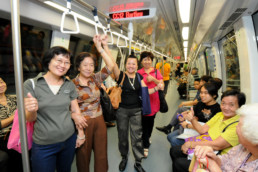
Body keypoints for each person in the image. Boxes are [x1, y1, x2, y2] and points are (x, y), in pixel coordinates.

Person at [24, 46, 86, 172]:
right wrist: (31, 109)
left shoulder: (69, 85)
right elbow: (30, 118)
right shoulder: (32, 84)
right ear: (48, 62)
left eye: (66, 62)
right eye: (58, 60)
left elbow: (75, 111)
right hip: (44, 145)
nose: (62, 65)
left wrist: (80, 134)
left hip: (69, 140)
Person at [170, 89, 246, 172]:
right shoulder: (220, 115)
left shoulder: (237, 124)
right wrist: (192, 119)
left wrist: (190, 144)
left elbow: (217, 145)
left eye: (231, 105)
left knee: (178, 163)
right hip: (205, 144)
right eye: (223, 103)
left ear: (240, 107)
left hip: (217, 156)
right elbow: (202, 130)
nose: (226, 107)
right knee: (174, 150)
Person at [112, 53, 161, 172]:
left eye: (133, 64)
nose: (131, 66)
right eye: (128, 63)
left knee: (137, 137)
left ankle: (138, 162)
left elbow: (146, 91)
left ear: (136, 65)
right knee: (122, 136)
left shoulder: (139, 77)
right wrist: (104, 47)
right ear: (125, 64)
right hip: (122, 111)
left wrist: (156, 88)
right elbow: (112, 65)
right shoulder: (121, 75)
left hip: (136, 111)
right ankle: (124, 157)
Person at [72, 35, 114, 172]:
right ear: (78, 67)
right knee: (83, 155)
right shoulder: (72, 85)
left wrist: (100, 48)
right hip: (83, 122)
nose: (89, 68)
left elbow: (111, 66)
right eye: (85, 65)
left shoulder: (95, 79)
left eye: (91, 65)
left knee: (101, 153)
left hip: (99, 119)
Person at [194, 103, 258, 171]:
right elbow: (224, 161)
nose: (236, 126)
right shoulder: (241, 147)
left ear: (253, 135)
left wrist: (212, 165)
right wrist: (213, 156)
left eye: (239, 125)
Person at [137, 51, 164, 158]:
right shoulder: (138, 73)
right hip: (142, 102)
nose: (147, 61)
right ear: (141, 61)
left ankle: (147, 138)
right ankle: (145, 145)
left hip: (154, 102)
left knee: (150, 123)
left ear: (151, 61)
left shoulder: (156, 72)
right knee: (144, 124)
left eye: (149, 59)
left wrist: (153, 79)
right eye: (145, 59)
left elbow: (161, 86)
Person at [0, 77, 23, 172]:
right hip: (3, 136)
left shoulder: (14, 99)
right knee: (16, 151)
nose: (1, 85)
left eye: (1, 82)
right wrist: (14, 117)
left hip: (20, 132)